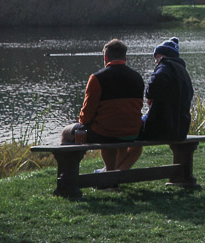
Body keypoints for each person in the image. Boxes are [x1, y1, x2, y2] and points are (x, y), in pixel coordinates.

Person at [59, 38, 144, 172]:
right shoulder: (137, 77)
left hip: (106, 132)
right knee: (117, 135)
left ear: (105, 57)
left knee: (66, 132)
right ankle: (114, 175)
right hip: (132, 132)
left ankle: (68, 174)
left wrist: (83, 122)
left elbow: (86, 114)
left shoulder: (97, 78)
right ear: (125, 58)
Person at [114, 37, 195, 171]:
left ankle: (111, 172)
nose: (155, 61)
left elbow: (152, 88)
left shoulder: (164, 67)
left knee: (125, 131)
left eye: (156, 57)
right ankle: (117, 173)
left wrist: (149, 95)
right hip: (180, 128)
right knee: (134, 138)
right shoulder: (182, 71)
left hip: (162, 128)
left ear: (161, 55)